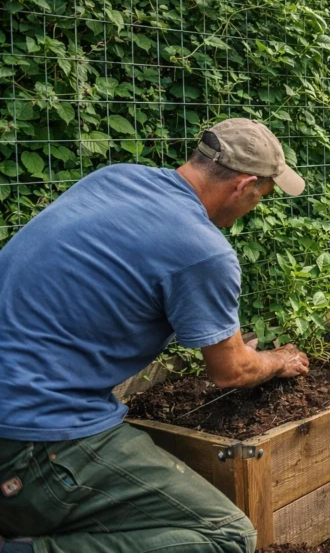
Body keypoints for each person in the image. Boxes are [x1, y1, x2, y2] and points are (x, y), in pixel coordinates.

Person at [0, 118, 311, 553]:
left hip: (17, 409)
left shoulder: (115, 178)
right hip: (32, 437)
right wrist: (276, 361)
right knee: (228, 536)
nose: (257, 205)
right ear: (243, 187)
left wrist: (234, 347)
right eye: (263, 195)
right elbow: (231, 372)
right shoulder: (203, 250)